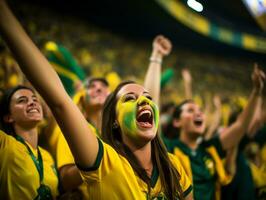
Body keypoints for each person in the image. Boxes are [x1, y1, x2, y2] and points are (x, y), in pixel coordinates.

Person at [0, 1, 193, 199]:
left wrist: (156, 57)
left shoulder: (174, 166)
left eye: (147, 98)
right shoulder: (105, 162)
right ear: (115, 121)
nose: (143, 102)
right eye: (129, 99)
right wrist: (5, 19)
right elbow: (59, 101)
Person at [163, 65, 265, 200]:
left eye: (200, 110)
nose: (198, 112)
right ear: (177, 122)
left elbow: (241, 126)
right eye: (190, 110)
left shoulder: (211, 149)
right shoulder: (168, 147)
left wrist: (257, 92)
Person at [0, 85, 59, 199]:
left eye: (35, 99)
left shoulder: (47, 156)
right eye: (22, 100)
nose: (33, 103)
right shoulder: (4, 144)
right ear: (8, 117)